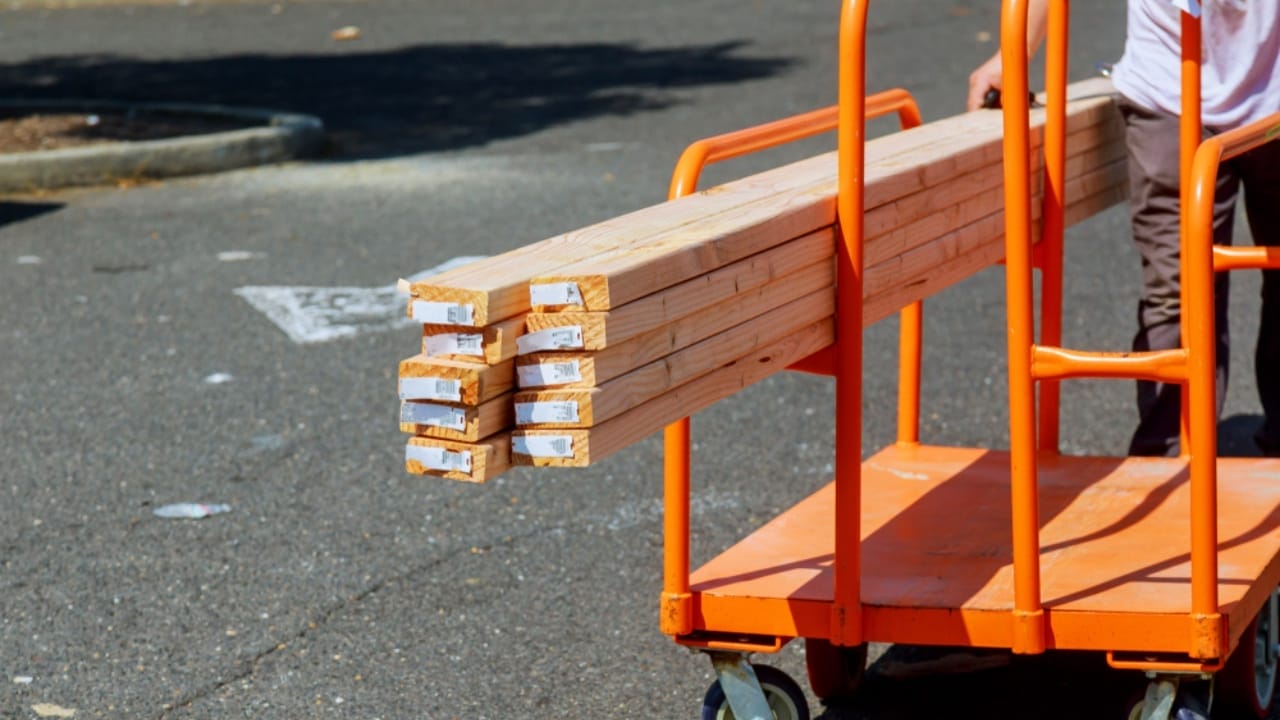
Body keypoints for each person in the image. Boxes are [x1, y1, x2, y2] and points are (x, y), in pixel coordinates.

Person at [967, 0, 1280, 457]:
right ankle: (1171, 455)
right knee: (1179, 290)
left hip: (1273, 86)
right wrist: (1012, 53)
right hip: (1168, 93)